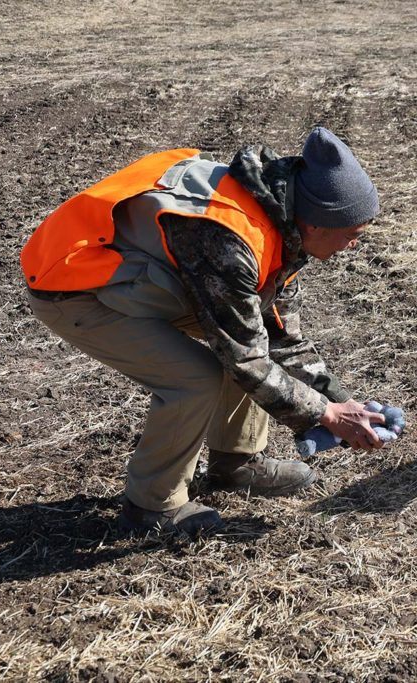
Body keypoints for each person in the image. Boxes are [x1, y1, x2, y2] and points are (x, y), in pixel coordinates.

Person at [21, 127, 389, 536]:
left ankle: (236, 462)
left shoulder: (285, 223)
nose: (354, 245)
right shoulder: (229, 238)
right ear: (318, 224)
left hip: (149, 277)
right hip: (76, 286)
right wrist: (327, 415)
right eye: (352, 234)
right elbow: (246, 358)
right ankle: (151, 507)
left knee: (250, 331)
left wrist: (344, 401)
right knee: (196, 380)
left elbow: (282, 336)